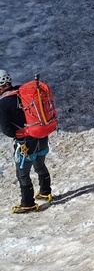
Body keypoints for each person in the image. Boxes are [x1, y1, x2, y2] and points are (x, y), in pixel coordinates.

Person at [0, 69, 53, 213]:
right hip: (41, 134)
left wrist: (17, 134)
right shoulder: (22, 92)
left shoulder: (3, 103)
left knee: (22, 173)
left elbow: (6, 130)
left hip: (24, 142)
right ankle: (45, 191)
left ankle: (28, 203)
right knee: (40, 165)